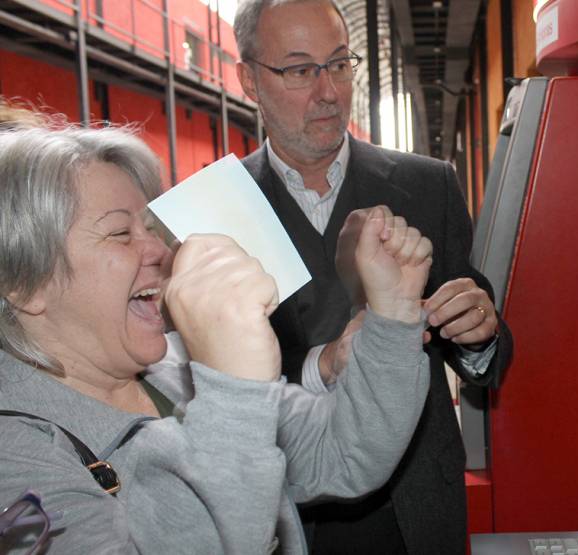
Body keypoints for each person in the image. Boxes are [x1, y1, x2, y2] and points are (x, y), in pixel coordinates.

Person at [0, 123, 436, 553]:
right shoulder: (15, 456)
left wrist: (393, 311)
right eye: (119, 234)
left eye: (150, 229)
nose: (160, 251)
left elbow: (343, 452)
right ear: (24, 283)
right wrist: (232, 391)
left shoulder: (174, 368)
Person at [233, 1, 513, 552]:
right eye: (300, 70)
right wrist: (322, 363)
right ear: (248, 80)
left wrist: (480, 336)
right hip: (286, 516)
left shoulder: (428, 186)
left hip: (414, 509)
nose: (329, 92)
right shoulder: (219, 212)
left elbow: (486, 354)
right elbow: (199, 386)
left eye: (339, 64)